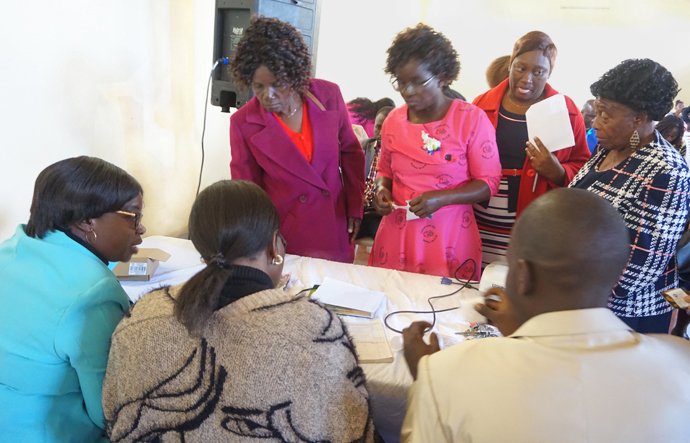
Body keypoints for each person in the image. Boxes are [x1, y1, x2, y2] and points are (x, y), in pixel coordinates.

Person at [400, 188, 690, 443]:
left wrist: (424, 381)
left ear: (523, 276)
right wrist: (519, 331)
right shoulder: (682, 360)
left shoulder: (443, 373)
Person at [102, 180, 374, 442]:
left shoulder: (142, 315)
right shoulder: (316, 329)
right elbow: (353, 428)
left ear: (201, 250)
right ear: (274, 244)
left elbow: (115, 413)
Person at [0, 157, 145, 443]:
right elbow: (109, 411)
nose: (140, 228)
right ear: (85, 221)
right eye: (133, 216)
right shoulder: (92, 295)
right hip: (51, 433)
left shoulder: (11, 249)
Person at [229, 16, 365, 263]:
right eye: (258, 86)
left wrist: (355, 206)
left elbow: (352, 153)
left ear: (294, 74)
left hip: (334, 222)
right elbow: (247, 192)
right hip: (286, 233)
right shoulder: (243, 123)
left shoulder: (327, 95)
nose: (267, 96)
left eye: (277, 85)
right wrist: (257, 241)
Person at [369, 24, 501, 279]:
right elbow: (384, 170)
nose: (407, 91)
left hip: (448, 237)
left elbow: (489, 183)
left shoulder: (470, 119)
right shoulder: (393, 121)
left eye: (418, 82)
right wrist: (382, 190)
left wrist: (441, 198)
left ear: (442, 77)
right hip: (397, 234)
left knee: (443, 307)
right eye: (401, 82)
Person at [570, 59, 690, 334]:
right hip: (585, 297)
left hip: (625, 314)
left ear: (638, 118)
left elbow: (640, 266)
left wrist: (573, 286)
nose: (595, 123)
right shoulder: (608, 148)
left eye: (605, 115)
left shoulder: (667, 171)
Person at [472, 31, 590, 268]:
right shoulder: (481, 104)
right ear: (511, 65)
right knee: (474, 279)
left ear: (549, 73)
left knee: (518, 282)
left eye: (538, 72)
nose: (527, 78)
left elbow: (583, 166)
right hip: (478, 217)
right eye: (520, 68)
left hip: (533, 218)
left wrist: (556, 171)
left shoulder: (566, 111)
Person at [358, 105, 394, 240]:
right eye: (378, 127)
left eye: (386, 128)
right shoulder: (362, 147)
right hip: (359, 209)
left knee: (385, 239)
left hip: (379, 213)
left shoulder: (400, 155)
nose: (380, 133)